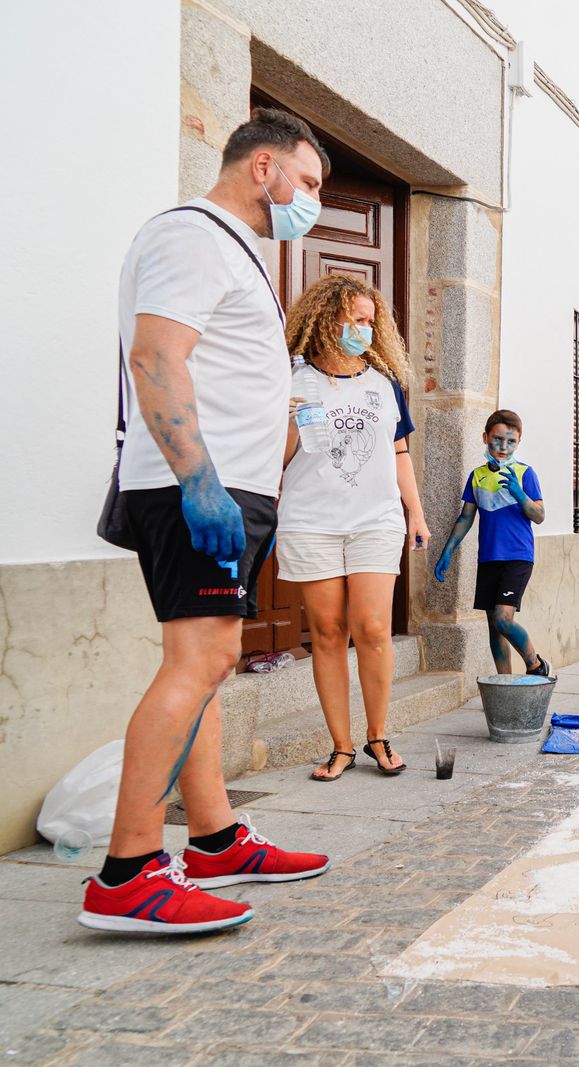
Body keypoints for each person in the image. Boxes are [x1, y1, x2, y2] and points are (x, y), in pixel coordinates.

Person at [81, 109, 334, 934]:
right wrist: (200, 481)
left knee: (210, 659)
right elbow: (156, 355)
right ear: (263, 168)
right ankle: (129, 873)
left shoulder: (233, 251)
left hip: (233, 488)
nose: (313, 201)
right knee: (202, 659)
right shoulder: (191, 235)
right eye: (308, 181)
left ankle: (217, 837)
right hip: (199, 489)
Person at [277, 274, 428, 781]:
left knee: (373, 629)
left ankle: (378, 735)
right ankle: (341, 747)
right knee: (326, 633)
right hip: (311, 520)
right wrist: (294, 420)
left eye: (369, 320)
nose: (364, 329)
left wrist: (416, 512)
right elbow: (277, 461)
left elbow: (399, 453)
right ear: (326, 321)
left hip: (375, 519)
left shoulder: (384, 383)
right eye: (354, 320)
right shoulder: (295, 381)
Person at [432, 410, 551, 676]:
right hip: (488, 558)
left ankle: (536, 665)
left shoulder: (525, 473)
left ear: (519, 442)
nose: (503, 447)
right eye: (497, 440)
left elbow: (540, 516)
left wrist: (520, 495)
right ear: (486, 438)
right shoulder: (477, 476)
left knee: (503, 619)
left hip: (518, 557)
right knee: (494, 627)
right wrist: (447, 551)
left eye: (511, 442)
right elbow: (465, 518)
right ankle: (504, 685)